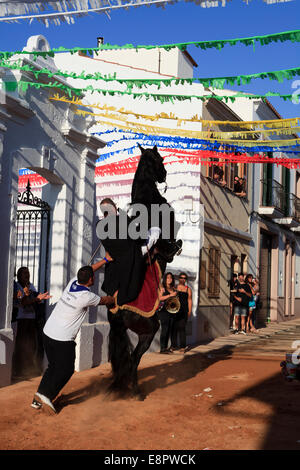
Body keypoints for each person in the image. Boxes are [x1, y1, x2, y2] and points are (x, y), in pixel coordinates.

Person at [31, 258, 115, 415]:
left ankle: (39, 396)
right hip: (62, 339)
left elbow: (89, 269)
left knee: (54, 366)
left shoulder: (72, 282)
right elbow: (105, 300)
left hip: (48, 332)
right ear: (91, 280)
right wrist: (115, 297)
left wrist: (104, 260)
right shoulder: (87, 296)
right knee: (67, 369)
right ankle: (47, 396)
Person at [12, 267, 51, 379]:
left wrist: (37, 298)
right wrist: (35, 299)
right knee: (20, 345)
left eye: (28, 273)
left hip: (31, 319)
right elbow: (23, 302)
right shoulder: (16, 286)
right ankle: (18, 371)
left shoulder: (30, 286)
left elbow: (34, 298)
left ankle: (28, 369)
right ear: (19, 275)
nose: (27, 275)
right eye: (24, 273)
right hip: (21, 319)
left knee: (31, 345)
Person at [171, 272, 192, 353]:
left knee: (182, 328)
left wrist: (189, 311)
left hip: (184, 311)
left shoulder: (188, 289)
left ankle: (182, 347)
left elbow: (190, 300)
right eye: (181, 278)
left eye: (184, 278)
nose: (183, 279)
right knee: (174, 328)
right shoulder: (175, 287)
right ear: (179, 278)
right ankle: (173, 346)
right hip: (174, 311)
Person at [158, 272, 177, 354]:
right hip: (163, 312)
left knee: (169, 330)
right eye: (168, 277)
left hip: (172, 311)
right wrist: (170, 295)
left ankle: (165, 348)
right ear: (165, 279)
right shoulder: (162, 288)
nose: (169, 279)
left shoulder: (173, 289)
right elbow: (160, 298)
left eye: (171, 278)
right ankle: (162, 348)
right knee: (164, 330)